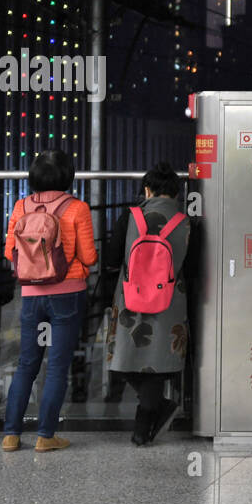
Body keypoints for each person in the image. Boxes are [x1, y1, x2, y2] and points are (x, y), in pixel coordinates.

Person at [2, 150, 97, 452]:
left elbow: (9, 253)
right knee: (57, 366)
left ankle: (11, 435)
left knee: (26, 365)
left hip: (31, 295)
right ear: (68, 175)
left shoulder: (21, 206)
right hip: (67, 294)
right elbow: (89, 257)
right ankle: (45, 436)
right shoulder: (77, 208)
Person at [105, 162, 194, 447]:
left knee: (123, 359)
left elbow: (110, 258)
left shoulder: (130, 217)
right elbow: (192, 268)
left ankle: (147, 422)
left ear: (147, 189)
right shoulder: (186, 222)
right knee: (155, 361)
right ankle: (143, 427)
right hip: (170, 300)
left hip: (130, 299)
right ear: (176, 193)